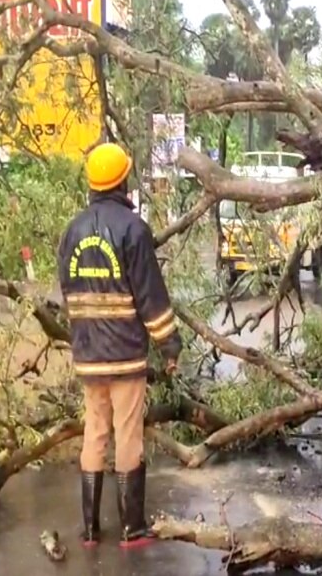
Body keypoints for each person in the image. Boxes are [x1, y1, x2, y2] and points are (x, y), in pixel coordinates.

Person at [56, 142, 182, 549]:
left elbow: (67, 291)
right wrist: (170, 346)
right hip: (126, 355)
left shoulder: (72, 232)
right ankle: (133, 528)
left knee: (94, 433)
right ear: (123, 180)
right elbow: (150, 297)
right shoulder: (133, 230)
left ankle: (90, 530)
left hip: (89, 355)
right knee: (128, 435)